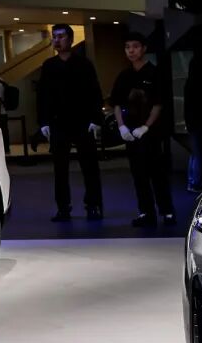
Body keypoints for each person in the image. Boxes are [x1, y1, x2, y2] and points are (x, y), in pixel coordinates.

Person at [37, 24, 104, 222]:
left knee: (89, 166)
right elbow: (43, 95)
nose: (57, 40)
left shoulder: (84, 64)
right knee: (60, 168)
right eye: (54, 36)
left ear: (71, 39)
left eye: (61, 36)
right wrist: (44, 122)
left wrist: (95, 119)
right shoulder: (49, 65)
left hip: (82, 121)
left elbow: (94, 92)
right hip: (58, 122)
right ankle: (63, 207)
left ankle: (93, 205)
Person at [111, 32, 175, 227]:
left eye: (135, 46)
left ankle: (167, 211)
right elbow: (116, 103)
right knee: (138, 174)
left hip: (152, 133)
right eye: (127, 47)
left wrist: (146, 126)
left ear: (144, 48)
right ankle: (146, 212)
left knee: (157, 173)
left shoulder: (154, 73)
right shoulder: (124, 76)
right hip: (131, 133)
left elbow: (158, 103)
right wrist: (121, 126)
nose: (131, 51)